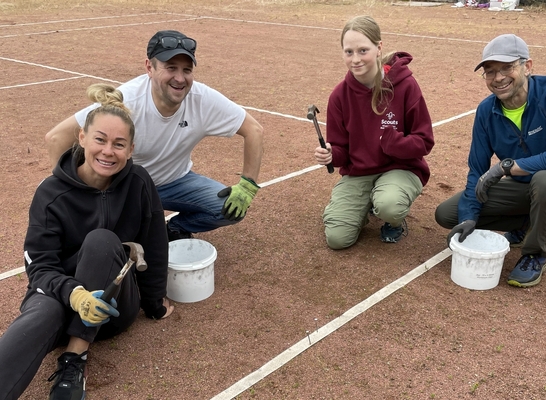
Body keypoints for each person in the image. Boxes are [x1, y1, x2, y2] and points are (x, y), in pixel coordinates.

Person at [0, 84, 174, 400]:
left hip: (114, 308)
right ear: (82, 138)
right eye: (100, 140)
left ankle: (74, 357)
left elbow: (155, 244)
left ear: (131, 149)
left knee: (102, 241)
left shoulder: (139, 183)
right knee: (42, 313)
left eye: (119, 144)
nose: (108, 151)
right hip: (63, 298)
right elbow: (40, 267)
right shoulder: (51, 194)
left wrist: (154, 303)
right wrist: (76, 295)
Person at [45, 30, 264, 242]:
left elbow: (254, 130)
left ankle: (175, 229)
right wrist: (69, 195)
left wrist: (247, 185)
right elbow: (57, 137)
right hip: (127, 188)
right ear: (149, 67)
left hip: (176, 181)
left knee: (226, 209)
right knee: (110, 239)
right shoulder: (127, 100)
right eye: (171, 68)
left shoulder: (202, 98)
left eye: (187, 70)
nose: (180, 78)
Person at [435, 34, 546, 288]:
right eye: (490, 71)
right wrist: (468, 217)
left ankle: (534, 254)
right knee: (447, 214)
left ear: (527, 67)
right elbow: (477, 169)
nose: (498, 78)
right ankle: (526, 222)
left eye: (507, 68)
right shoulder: (487, 111)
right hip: (523, 186)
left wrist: (506, 167)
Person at [314, 15, 434, 249]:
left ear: (379, 48)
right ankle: (362, 205)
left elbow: (424, 141)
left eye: (363, 50)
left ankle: (393, 220)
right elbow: (341, 150)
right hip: (359, 172)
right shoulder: (339, 95)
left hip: (401, 168)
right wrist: (331, 154)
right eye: (349, 52)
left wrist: (391, 142)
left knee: (389, 206)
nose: (356, 59)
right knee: (337, 239)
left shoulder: (406, 85)